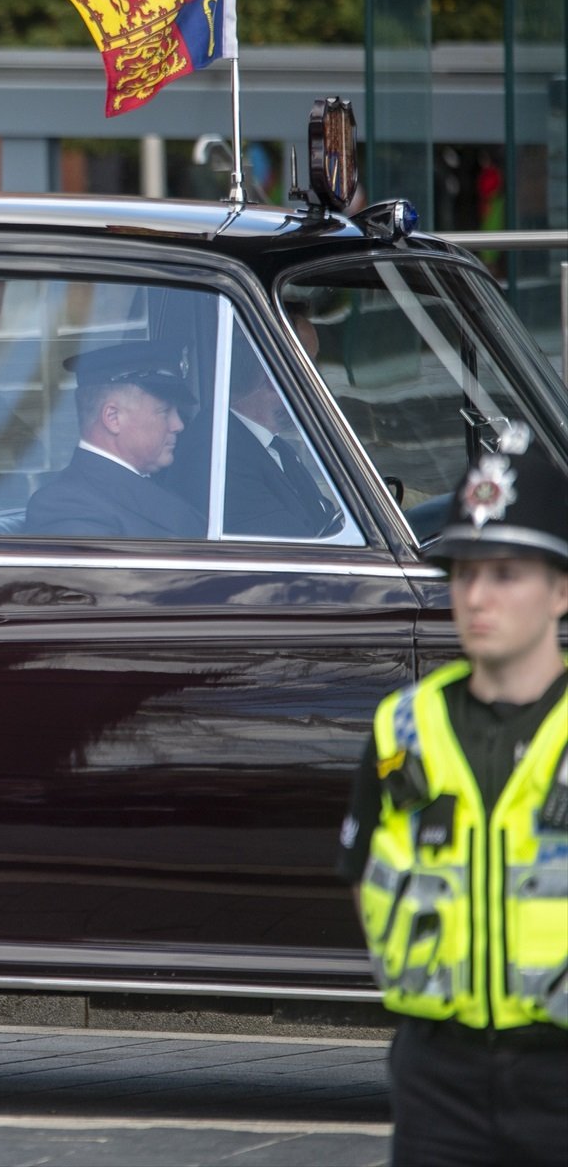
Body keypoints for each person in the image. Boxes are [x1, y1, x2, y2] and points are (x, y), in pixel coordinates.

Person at [336, 430, 568, 1166]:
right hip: (439, 1076)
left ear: (562, 589)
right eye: (463, 573)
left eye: (505, 574)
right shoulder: (404, 726)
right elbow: (362, 872)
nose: (475, 596)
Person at [24, 341, 205, 539]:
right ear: (113, 418)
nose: (178, 425)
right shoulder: (67, 506)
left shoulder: (150, 484)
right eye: (164, 412)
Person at [223, 341, 335, 537]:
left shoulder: (278, 448)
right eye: (308, 366)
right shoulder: (224, 457)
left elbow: (322, 515)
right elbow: (292, 544)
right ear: (273, 378)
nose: (316, 381)